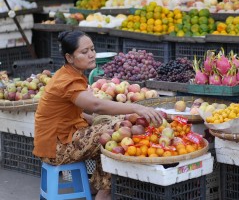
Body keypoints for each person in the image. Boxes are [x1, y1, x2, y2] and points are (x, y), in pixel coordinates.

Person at [33, 30, 163, 200]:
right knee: (112, 135)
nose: (91, 55)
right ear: (69, 57)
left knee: (114, 127)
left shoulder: (70, 74)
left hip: (57, 139)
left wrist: (96, 120)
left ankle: (96, 187)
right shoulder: (67, 81)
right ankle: (104, 193)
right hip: (55, 148)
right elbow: (96, 105)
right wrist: (136, 108)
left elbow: (72, 114)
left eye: (92, 49)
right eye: (84, 52)